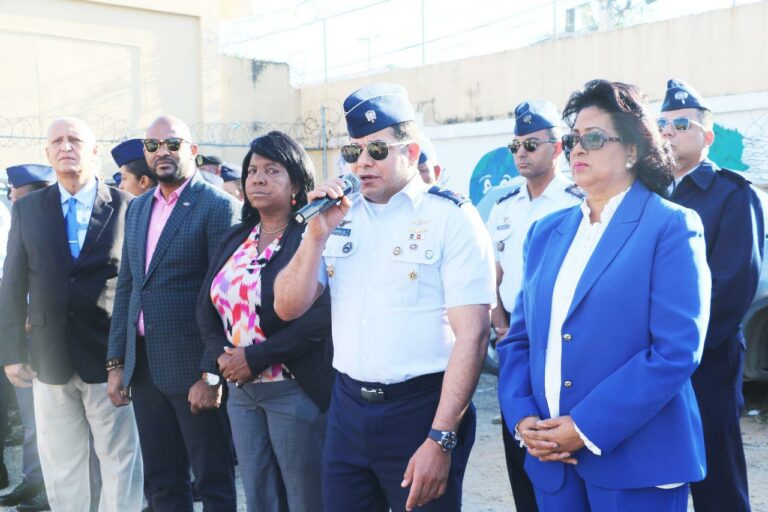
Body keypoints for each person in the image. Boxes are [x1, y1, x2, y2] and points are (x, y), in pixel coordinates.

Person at [274, 83, 495, 512]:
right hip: (348, 407)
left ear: (411, 154)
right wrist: (314, 237)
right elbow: (287, 307)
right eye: (352, 152)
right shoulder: (337, 216)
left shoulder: (450, 217)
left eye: (377, 151)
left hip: (422, 409)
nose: (362, 163)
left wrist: (440, 437)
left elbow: (473, 336)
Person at [497, 80, 711, 511]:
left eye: (593, 138)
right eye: (572, 139)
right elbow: (520, 339)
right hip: (553, 463)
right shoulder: (544, 233)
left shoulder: (670, 225)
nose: (577, 149)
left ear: (632, 149)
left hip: (637, 466)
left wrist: (585, 426)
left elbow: (675, 351)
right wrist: (523, 420)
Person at [0, 117, 144, 512]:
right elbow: (12, 282)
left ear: (94, 151)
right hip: (49, 358)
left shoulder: (127, 207)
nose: (66, 147)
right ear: (47, 153)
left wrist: (131, 355)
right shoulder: (28, 209)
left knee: (120, 460)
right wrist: (11, 351)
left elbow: (138, 285)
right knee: (61, 463)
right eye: (57, 141)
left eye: (75, 140)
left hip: (109, 359)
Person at [106, 116, 239, 512]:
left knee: (213, 481)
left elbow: (223, 299)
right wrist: (117, 362)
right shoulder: (138, 208)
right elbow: (127, 287)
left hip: (194, 370)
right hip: (144, 368)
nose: (162, 152)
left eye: (172, 144)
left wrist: (210, 373)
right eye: (153, 146)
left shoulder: (219, 208)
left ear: (192, 151)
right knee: (162, 483)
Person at [197, 131, 333, 512]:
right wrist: (222, 359)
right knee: (260, 496)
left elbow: (322, 317)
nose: (257, 178)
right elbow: (205, 308)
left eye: (271, 170)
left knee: (305, 497)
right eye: (252, 170)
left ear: (296, 183)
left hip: (294, 389)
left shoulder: (312, 236)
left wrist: (255, 358)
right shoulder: (235, 239)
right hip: (242, 393)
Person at [659, 78, 763, 512]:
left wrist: (677, 345)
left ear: (707, 136)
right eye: (661, 125)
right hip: (652, 361)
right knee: (660, 474)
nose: (668, 132)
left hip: (708, 360)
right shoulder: (648, 193)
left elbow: (734, 283)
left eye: (680, 124)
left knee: (716, 476)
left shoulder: (731, 193)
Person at [486, 100, 582, 512]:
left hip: (564, 341)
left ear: (558, 148)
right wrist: (500, 323)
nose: (521, 153)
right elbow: (489, 272)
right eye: (516, 146)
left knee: (561, 450)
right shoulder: (505, 204)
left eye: (531, 145)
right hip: (514, 339)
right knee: (521, 444)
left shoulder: (576, 199)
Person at [0, 164, 55, 512]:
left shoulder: (56, 229)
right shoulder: (24, 224)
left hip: (50, 339)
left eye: (17, 197)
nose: (11, 202)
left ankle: (46, 489)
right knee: (32, 418)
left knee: (47, 421)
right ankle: (34, 481)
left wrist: (31, 321)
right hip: (26, 338)